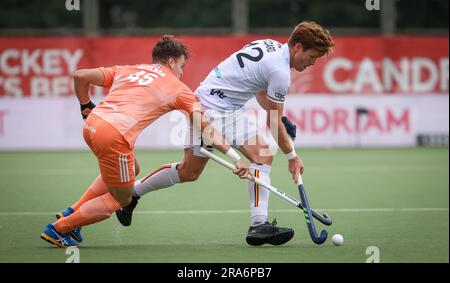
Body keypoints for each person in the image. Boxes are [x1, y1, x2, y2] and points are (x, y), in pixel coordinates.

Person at [116, 21, 335, 246]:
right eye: (312, 57)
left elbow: (260, 90)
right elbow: (272, 122)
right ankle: (132, 193)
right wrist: (292, 157)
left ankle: (259, 224)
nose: (312, 64)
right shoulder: (281, 72)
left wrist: (280, 117)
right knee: (190, 171)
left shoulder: (270, 46)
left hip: (223, 107)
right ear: (298, 47)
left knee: (245, 159)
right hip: (212, 110)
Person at [40, 36, 249, 248]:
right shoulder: (179, 89)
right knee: (121, 199)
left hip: (92, 126)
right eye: (181, 66)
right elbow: (206, 129)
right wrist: (235, 158)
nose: (182, 72)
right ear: (171, 62)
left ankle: (72, 211)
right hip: (114, 136)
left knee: (133, 168)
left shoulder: (129, 70)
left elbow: (80, 76)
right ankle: (60, 229)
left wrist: (85, 106)